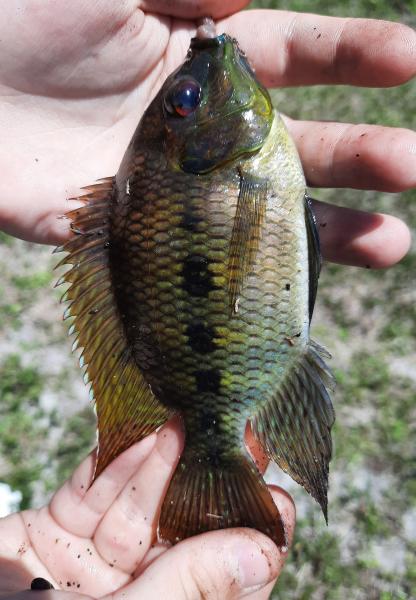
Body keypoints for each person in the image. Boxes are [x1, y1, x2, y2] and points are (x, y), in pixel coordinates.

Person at [0, 1, 414, 598]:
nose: (207, 65)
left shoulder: (214, 164)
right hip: (226, 365)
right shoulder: (234, 164)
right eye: (184, 104)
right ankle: (215, 454)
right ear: (183, 141)